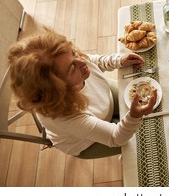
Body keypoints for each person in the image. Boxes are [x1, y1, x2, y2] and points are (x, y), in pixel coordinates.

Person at [7, 29, 157, 158]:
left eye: (74, 53)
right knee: (141, 142)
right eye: (72, 68)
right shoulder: (64, 117)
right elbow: (115, 137)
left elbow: (92, 61)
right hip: (88, 142)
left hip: (103, 98)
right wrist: (134, 116)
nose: (82, 62)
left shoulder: (71, 62)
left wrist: (118, 60)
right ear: (56, 88)